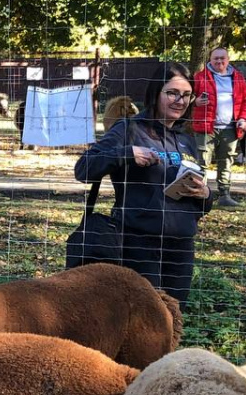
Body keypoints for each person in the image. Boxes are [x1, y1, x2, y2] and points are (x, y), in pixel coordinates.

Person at [76, 63, 213, 307]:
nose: (180, 101)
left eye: (186, 95)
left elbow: (201, 206)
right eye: (172, 93)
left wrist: (205, 194)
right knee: (143, 323)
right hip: (138, 245)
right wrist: (127, 153)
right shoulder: (129, 129)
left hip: (180, 249)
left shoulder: (186, 139)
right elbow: (84, 169)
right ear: (155, 93)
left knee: (173, 319)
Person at [191, 46, 246, 207]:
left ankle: (224, 194)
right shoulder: (199, 77)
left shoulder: (238, 78)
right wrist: (194, 102)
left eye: (222, 58)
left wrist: (244, 118)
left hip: (230, 128)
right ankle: (198, 195)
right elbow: (188, 96)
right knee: (202, 161)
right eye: (215, 58)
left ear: (228, 60)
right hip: (205, 128)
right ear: (209, 60)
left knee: (226, 161)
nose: (219, 61)